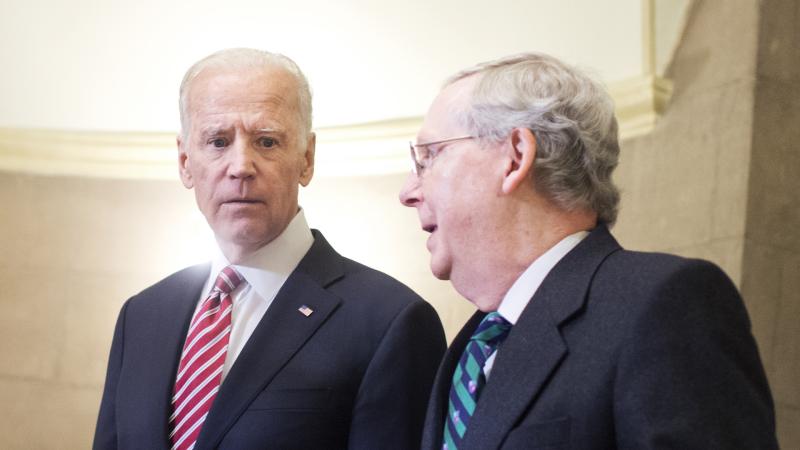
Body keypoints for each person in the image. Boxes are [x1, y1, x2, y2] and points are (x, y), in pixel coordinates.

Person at [400, 53, 778, 450]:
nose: (408, 192)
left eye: (430, 156)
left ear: (514, 157)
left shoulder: (666, 304)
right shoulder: (469, 350)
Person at [94, 48, 446, 450]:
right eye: (218, 141)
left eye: (266, 141)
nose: (241, 166)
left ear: (307, 158)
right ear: (185, 161)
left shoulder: (389, 322)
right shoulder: (141, 316)